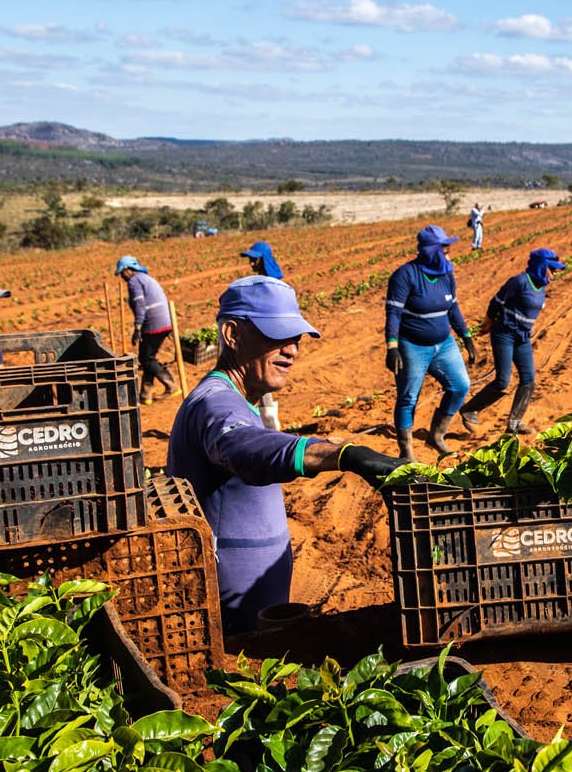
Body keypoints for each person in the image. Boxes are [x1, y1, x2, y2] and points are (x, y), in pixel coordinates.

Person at [167, 276, 405, 632]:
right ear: (232, 334)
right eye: (277, 336)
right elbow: (243, 448)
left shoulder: (235, 397)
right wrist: (338, 456)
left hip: (254, 602)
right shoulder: (214, 403)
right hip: (233, 613)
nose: (292, 349)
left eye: (295, 338)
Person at [384, 226, 478, 460]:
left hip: (444, 343)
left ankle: (437, 435)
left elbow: (453, 307)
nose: (449, 256)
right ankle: (406, 452)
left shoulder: (447, 274)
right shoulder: (405, 275)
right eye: (445, 251)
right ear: (432, 251)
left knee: (460, 385)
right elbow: (393, 313)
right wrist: (392, 347)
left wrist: (466, 337)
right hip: (413, 345)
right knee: (408, 397)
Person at [459, 248, 566, 434]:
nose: (554, 274)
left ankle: (514, 424)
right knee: (502, 381)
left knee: (529, 380)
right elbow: (495, 303)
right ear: (541, 266)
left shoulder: (541, 287)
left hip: (523, 338)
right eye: (552, 269)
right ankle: (469, 410)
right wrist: (487, 324)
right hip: (504, 334)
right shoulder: (519, 282)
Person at [116, 256, 177, 405]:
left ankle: (171, 385)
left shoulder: (134, 281)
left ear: (127, 270)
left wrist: (137, 327)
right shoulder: (145, 278)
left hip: (153, 323)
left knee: (146, 358)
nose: (122, 277)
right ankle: (146, 394)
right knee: (148, 356)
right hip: (165, 321)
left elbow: (140, 305)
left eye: (122, 273)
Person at [241, 242, 285, 428]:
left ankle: (270, 428)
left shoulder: (271, 284)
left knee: (261, 380)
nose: (251, 263)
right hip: (261, 337)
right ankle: (266, 426)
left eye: (254, 259)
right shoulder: (263, 280)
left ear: (263, 259)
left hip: (268, 339)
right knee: (259, 381)